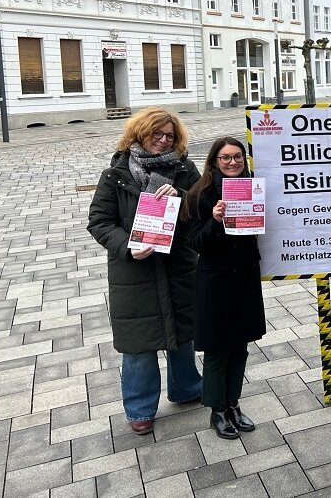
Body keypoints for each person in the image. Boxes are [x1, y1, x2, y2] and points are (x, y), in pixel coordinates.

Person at [87, 108, 202, 435]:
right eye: (157, 134)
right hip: (133, 273)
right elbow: (99, 222)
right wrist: (127, 245)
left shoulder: (184, 168)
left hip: (177, 265)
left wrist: (180, 197)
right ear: (140, 134)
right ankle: (139, 408)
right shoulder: (116, 174)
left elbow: (201, 208)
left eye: (169, 136)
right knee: (138, 345)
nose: (163, 141)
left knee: (183, 334)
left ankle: (187, 387)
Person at [184, 137, 266, 440]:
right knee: (219, 349)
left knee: (240, 347)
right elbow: (195, 242)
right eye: (225, 158)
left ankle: (233, 403)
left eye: (238, 157)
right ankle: (216, 410)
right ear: (214, 161)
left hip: (244, 278)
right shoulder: (199, 194)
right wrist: (216, 220)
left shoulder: (255, 185)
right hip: (215, 281)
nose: (233, 163)